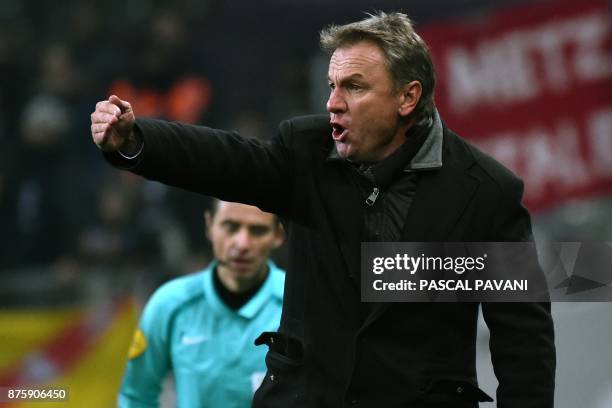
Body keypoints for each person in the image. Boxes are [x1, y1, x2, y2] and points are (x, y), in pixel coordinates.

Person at [93, 12, 555, 408]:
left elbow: (523, 342)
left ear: (407, 98)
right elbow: (223, 160)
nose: (333, 103)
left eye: (354, 87)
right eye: (332, 86)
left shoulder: (486, 190)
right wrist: (136, 141)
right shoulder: (305, 149)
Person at [118, 200, 285, 407]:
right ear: (209, 226)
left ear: (278, 235)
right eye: (230, 227)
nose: (242, 243)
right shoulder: (169, 304)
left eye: (257, 230)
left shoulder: (300, 305)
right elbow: (136, 396)